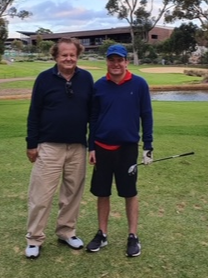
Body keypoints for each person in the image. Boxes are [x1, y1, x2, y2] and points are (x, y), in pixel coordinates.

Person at [25, 37, 94, 259]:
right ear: (56, 56)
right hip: (49, 146)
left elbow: (93, 115)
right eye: (64, 54)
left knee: (72, 193)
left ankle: (66, 231)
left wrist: (92, 145)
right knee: (41, 194)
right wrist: (31, 144)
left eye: (72, 54)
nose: (68, 58)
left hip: (77, 146)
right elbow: (34, 112)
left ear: (77, 55)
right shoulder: (44, 79)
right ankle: (34, 238)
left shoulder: (86, 78)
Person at [85, 44, 154, 257]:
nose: (115, 64)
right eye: (111, 60)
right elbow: (93, 119)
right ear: (106, 61)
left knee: (129, 192)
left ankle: (133, 236)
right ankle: (102, 234)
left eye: (119, 60)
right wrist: (91, 146)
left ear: (126, 62)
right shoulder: (99, 86)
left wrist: (148, 146)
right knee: (102, 192)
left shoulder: (139, 84)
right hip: (103, 148)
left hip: (127, 149)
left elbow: (147, 116)